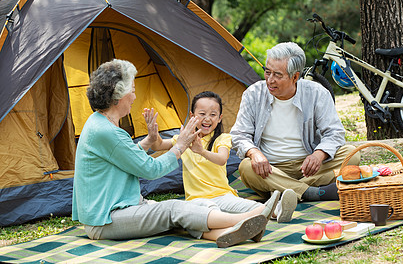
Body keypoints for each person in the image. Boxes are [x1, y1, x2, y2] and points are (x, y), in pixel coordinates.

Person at [72, 59, 280, 248]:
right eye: (133, 91)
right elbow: (150, 169)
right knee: (172, 210)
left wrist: (148, 141)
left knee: (186, 211)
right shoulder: (107, 132)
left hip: (115, 211)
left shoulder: (100, 124)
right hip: (105, 220)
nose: (135, 97)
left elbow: (124, 156)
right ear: (119, 96)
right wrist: (180, 145)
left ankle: (227, 233)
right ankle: (250, 217)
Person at [230, 42, 360, 205]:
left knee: (352, 154)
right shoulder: (253, 94)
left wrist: (319, 154)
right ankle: (311, 192)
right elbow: (239, 135)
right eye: (267, 72)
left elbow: (335, 133)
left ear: (295, 77)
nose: (270, 80)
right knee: (246, 167)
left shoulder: (317, 93)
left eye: (277, 75)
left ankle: (281, 191)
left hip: (309, 168)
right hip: (270, 169)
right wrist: (254, 153)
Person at [149, 91, 295, 223]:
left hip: (222, 195)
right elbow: (158, 146)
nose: (207, 119)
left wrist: (201, 151)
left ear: (219, 118)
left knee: (247, 205)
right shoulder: (184, 139)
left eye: (213, 115)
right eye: (202, 114)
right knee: (208, 209)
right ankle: (233, 222)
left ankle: (278, 211)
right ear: (192, 116)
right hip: (197, 200)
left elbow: (222, 159)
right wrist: (153, 134)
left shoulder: (222, 138)